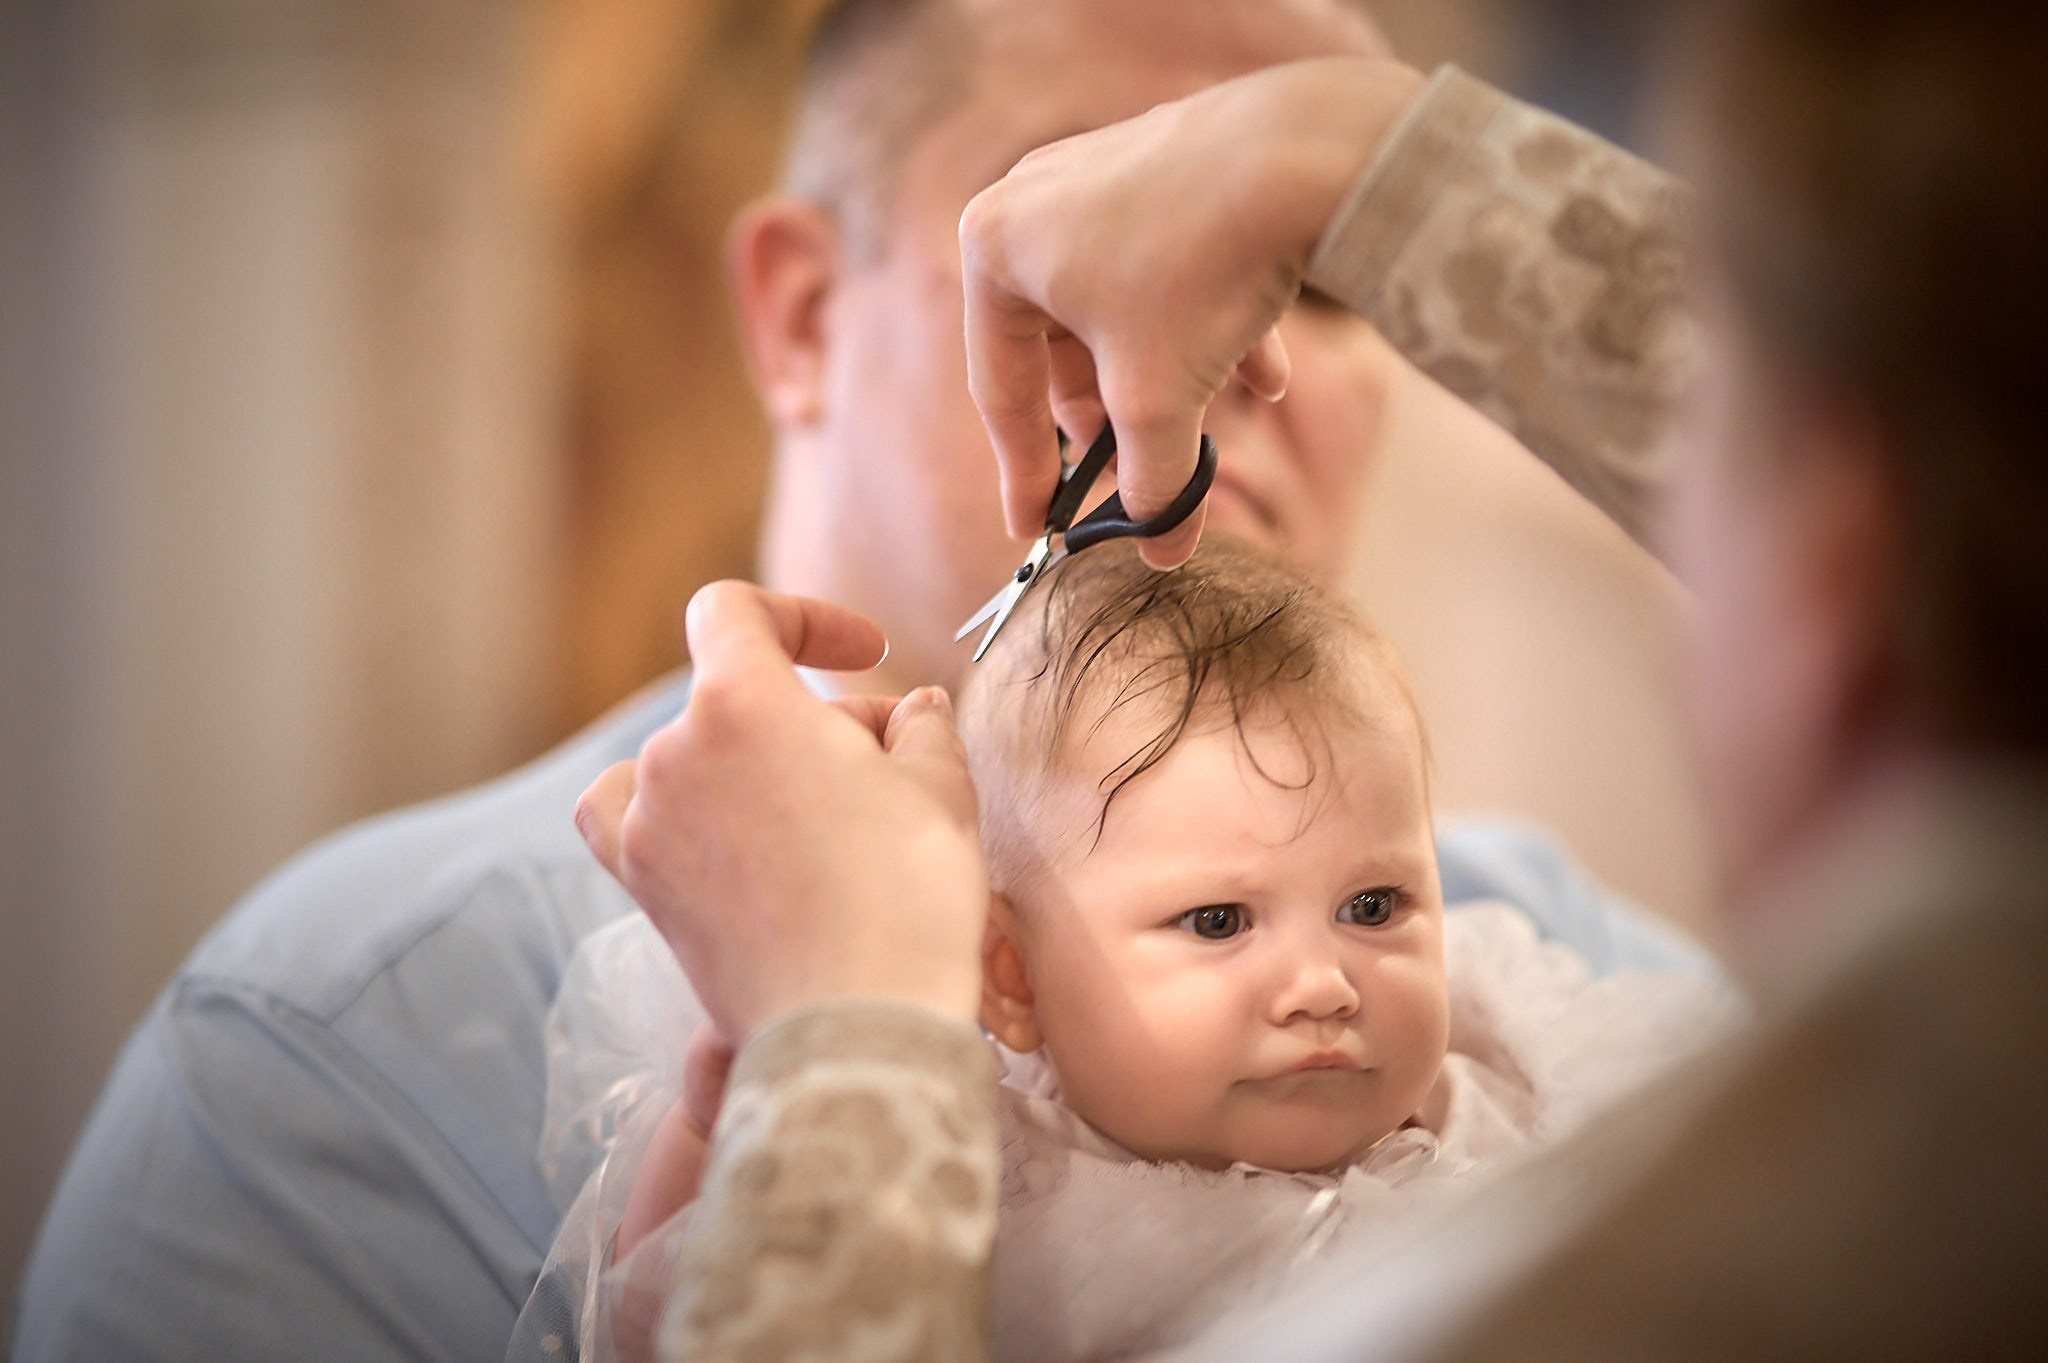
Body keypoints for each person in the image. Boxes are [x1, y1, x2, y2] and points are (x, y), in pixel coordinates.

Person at [11, 3, 1701, 1359]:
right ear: (803, 315)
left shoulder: (1589, 1000)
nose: (1232, 342)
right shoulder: (327, 1064)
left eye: (1319, 266)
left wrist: (1404, 167)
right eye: (1088, 226)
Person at [574, 3, 2048, 1360]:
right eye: (1215, 918)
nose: (1230, 349)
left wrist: (846, 1064)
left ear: (1837, 568)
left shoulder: (1609, 1050)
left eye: (1328, 279)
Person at [524, 538, 1728, 1362]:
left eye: (1372, 905)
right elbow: (663, 1323)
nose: (1322, 985)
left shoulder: (1520, 1075)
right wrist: (726, 1116)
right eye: (1217, 921)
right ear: (1010, 976)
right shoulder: (959, 1170)